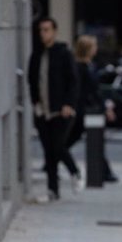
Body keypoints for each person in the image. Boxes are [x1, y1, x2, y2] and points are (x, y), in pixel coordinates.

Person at [27, 17, 81, 200]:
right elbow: (32, 81)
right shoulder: (36, 54)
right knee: (48, 151)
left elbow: (73, 81)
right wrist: (35, 103)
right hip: (43, 112)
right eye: (41, 30)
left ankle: (75, 172)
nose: (43, 33)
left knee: (58, 146)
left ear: (54, 31)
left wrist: (69, 104)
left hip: (61, 111)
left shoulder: (63, 53)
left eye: (47, 30)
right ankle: (53, 189)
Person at [67, 35, 118, 183]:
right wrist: (105, 107)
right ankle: (105, 172)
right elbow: (92, 92)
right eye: (94, 47)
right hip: (85, 110)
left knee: (73, 139)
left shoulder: (89, 66)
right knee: (94, 142)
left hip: (87, 109)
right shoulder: (82, 68)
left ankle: (52, 159)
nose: (96, 49)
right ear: (88, 49)